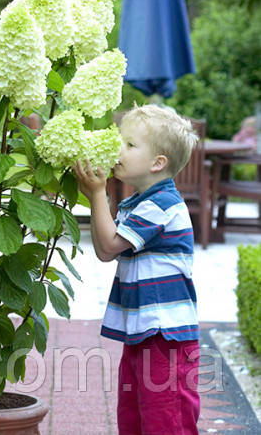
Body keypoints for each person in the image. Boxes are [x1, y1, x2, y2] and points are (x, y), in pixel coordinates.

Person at [73, 104, 201, 435]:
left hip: (165, 338)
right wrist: (95, 196)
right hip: (142, 334)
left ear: (158, 163)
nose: (119, 149)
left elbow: (111, 244)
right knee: (133, 417)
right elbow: (104, 251)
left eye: (130, 145)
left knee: (165, 420)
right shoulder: (140, 204)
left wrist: (98, 193)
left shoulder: (164, 205)